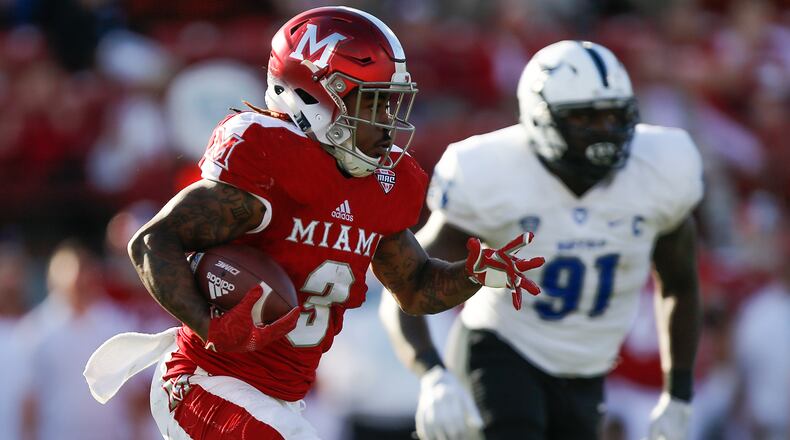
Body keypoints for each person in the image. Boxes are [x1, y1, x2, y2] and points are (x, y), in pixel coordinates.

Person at [83, 7, 544, 440]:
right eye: (374, 103)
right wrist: (209, 325)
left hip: (282, 399)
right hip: (206, 383)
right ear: (314, 97)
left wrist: (472, 275)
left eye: (391, 104)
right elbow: (151, 242)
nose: (388, 122)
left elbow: (416, 287)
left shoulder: (383, 184)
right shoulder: (269, 163)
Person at [380, 40, 704, 440]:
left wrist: (679, 395)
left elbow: (680, 285)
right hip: (502, 349)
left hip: (588, 368)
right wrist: (432, 373)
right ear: (541, 118)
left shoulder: (659, 168)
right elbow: (409, 282)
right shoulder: (492, 170)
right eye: (586, 118)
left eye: (614, 115)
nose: (605, 131)